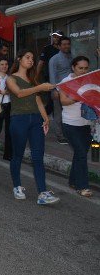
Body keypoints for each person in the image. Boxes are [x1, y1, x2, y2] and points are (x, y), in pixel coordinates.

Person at [6, 49, 59, 205]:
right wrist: (40, 87)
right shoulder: (11, 79)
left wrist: (45, 118)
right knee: (17, 155)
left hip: (36, 120)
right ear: (19, 59)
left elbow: (37, 101)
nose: (31, 60)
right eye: (27, 57)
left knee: (38, 156)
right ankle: (17, 186)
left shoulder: (32, 79)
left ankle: (42, 192)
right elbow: (20, 93)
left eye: (32, 58)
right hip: (19, 120)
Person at [58, 56, 93, 197]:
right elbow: (63, 101)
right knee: (81, 154)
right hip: (70, 124)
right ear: (73, 67)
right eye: (80, 68)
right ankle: (82, 186)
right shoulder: (66, 82)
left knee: (80, 154)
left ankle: (73, 180)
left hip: (86, 124)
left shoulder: (90, 81)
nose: (83, 71)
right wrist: (79, 96)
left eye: (86, 68)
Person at [48, 36, 73, 144]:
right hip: (59, 90)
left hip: (71, 90)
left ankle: (68, 134)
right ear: (59, 46)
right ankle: (60, 135)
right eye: (64, 44)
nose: (66, 46)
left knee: (69, 112)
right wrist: (54, 90)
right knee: (58, 114)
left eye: (68, 44)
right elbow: (52, 75)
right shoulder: (54, 59)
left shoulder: (72, 57)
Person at [0, 57, 12, 161]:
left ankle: (7, 154)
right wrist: (0, 91)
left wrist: (8, 91)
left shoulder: (10, 78)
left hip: (8, 104)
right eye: (2, 64)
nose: (4, 66)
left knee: (9, 130)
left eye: (6, 64)